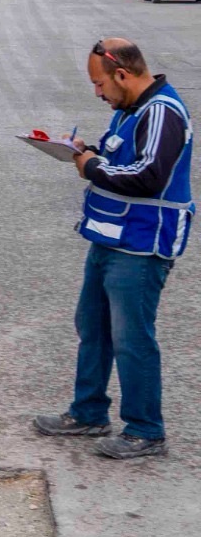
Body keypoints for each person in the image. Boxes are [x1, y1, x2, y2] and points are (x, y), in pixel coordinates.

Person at [34, 38, 193, 459]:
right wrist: (86, 150)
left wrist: (90, 166)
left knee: (131, 339)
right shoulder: (130, 110)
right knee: (93, 326)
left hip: (141, 244)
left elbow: (148, 177)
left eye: (100, 83)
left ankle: (146, 430)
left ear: (122, 74)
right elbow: (120, 159)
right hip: (110, 237)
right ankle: (88, 412)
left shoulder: (161, 112)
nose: (97, 92)